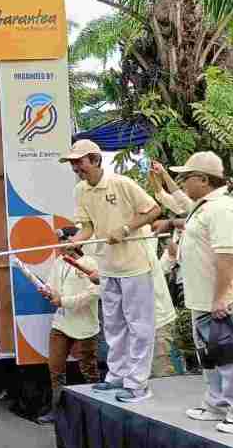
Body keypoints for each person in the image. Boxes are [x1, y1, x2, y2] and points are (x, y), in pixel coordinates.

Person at [170, 152, 233, 434]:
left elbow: (227, 256)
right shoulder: (204, 206)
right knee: (211, 355)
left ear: (203, 179)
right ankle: (218, 403)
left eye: (186, 177)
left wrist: (222, 296)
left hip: (227, 296)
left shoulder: (222, 208)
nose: (183, 181)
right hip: (204, 297)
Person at [60, 139, 162, 404]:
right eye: (72, 163)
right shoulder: (80, 191)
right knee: (115, 325)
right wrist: (75, 243)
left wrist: (126, 229)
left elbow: (154, 210)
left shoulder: (122, 183)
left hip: (135, 265)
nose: (75, 168)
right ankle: (117, 376)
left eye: (79, 162)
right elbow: (87, 227)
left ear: (94, 160)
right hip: (107, 267)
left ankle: (138, 384)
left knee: (139, 325)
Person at [36, 229, 101, 425]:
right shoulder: (58, 262)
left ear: (77, 241)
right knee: (55, 370)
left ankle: (97, 412)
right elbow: (53, 286)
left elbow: (93, 294)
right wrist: (48, 291)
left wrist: (63, 301)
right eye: (59, 240)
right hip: (61, 324)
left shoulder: (90, 263)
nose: (61, 244)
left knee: (88, 370)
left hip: (85, 326)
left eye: (65, 239)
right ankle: (58, 411)